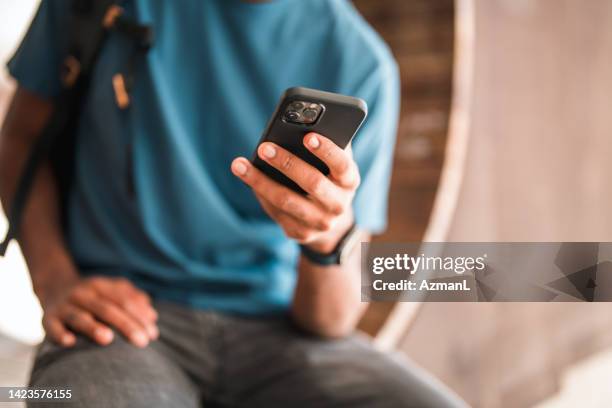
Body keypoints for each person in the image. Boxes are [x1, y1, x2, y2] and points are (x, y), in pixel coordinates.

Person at [0, 0, 466, 406]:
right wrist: (55, 281)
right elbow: (19, 140)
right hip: (123, 315)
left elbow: (331, 320)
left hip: (279, 335)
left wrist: (328, 236)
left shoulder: (361, 63)